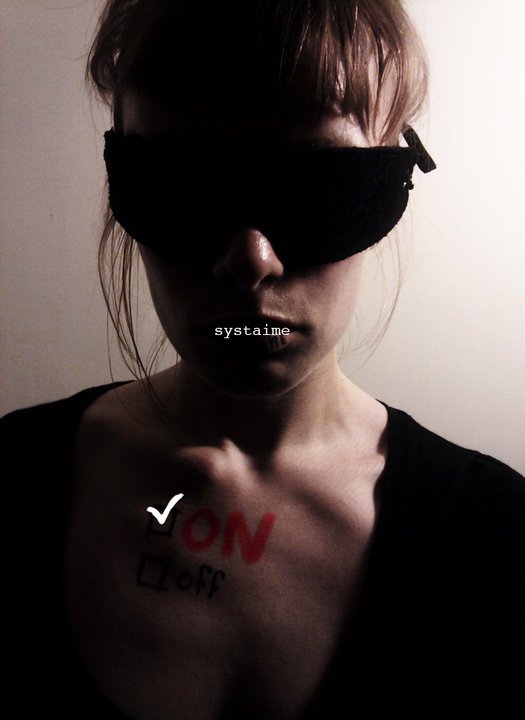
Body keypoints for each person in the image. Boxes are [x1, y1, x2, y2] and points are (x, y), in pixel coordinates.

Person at [3, 0, 524, 718]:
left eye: (316, 187)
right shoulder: (8, 480)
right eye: (183, 187)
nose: (250, 260)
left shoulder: (495, 537)